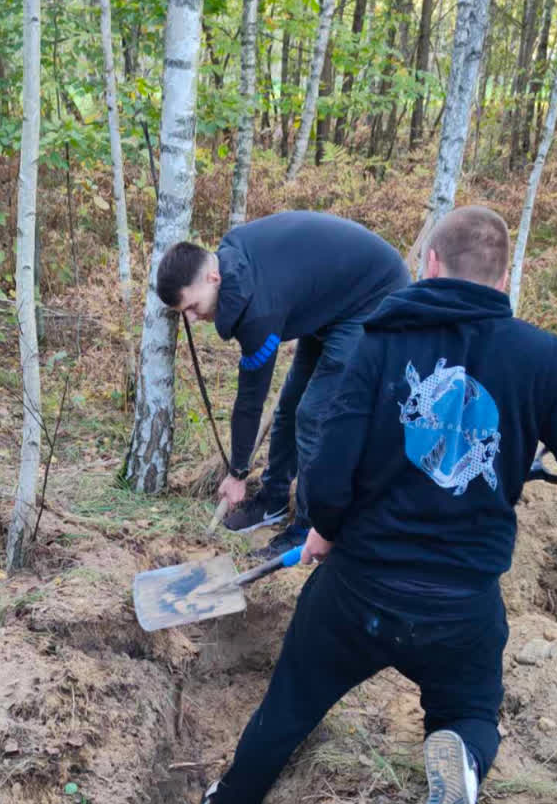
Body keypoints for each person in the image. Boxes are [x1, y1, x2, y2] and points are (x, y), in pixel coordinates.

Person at [199, 206, 557, 804]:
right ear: (504, 272)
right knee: (468, 712)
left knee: (290, 703)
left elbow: (326, 471)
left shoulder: (377, 342)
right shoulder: (545, 360)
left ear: (428, 263)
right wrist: (541, 453)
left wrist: (324, 529)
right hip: (461, 606)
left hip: (358, 592)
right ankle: (457, 752)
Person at [155, 212, 411, 560]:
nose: (192, 318)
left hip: (371, 297)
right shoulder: (232, 263)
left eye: (192, 306)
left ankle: (309, 526)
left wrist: (238, 473)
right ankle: (273, 500)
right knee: (289, 406)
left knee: (313, 416)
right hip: (329, 301)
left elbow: (250, 399)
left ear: (213, 277)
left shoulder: (258, 310)